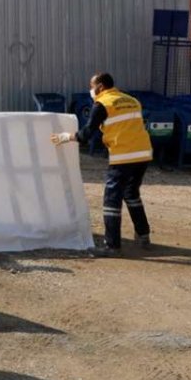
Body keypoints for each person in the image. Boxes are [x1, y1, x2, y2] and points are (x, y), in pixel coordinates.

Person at [51, 72, 152, 257]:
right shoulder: (131, 100)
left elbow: (87, 134)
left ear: (101, 86)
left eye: (92, 86)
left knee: (111, 200)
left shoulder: (103, 104)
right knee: (131, 193)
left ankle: (112, 246)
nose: (91, 90)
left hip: (124, 155)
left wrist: (66, 137)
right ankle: (143, 235)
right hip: (143, 153)